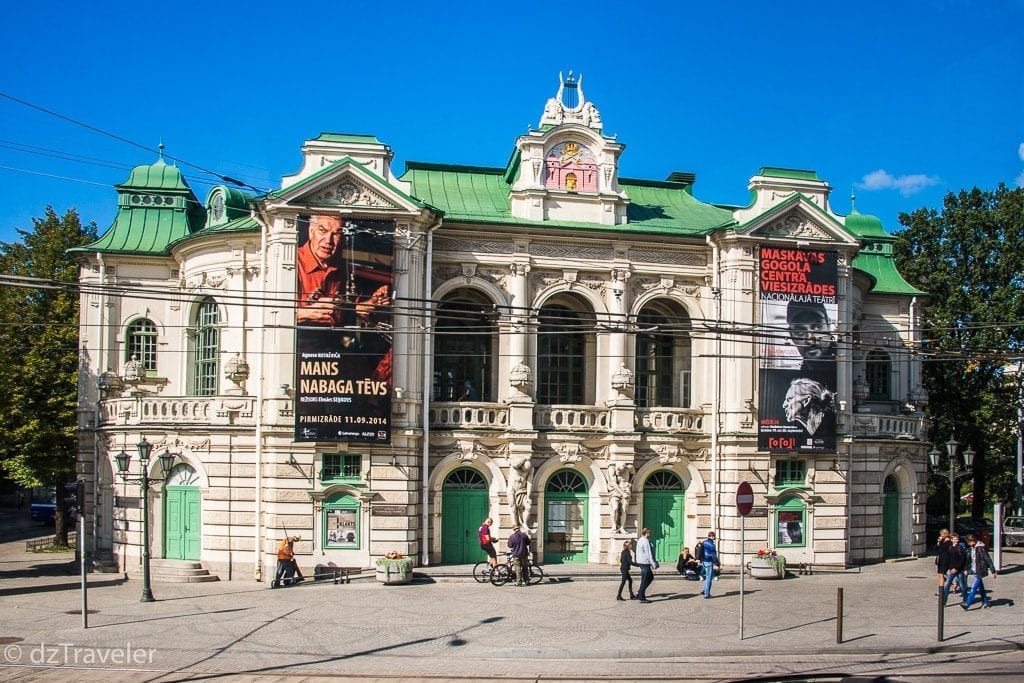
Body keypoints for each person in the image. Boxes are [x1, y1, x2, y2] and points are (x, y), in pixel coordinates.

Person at [962, 533, 997, 610]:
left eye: (969, 542)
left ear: (972, 540)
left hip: (980, 570)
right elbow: (969, 560)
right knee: (981, 588)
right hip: (974, 569)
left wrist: (993, 571)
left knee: (973, 587)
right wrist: (966, 569)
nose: (968, 544)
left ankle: (967, 603)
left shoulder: (981, 548)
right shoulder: (972, 548)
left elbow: (988, 559)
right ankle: (986, 602)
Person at [943, 532, 969, 605]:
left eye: (957, 539)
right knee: (946, 586)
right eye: (955, 539)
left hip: (959, 570)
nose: (956, 541)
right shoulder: (949, 548)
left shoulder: (961, 548)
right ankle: (943, 601)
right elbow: (947, 559)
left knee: (962, 586)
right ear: (951, 540)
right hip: (951, 570)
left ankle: (965, 600)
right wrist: (949, 568)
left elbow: (963, 559)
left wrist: (957, 568)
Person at [635, 528, 659, 603]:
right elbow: (648, 553)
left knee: (649, 577)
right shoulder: (645, 541)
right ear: (646, 533)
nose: (650, 534)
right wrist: (653, 563)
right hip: (645, 562)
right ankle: (642, 597)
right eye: (649, 533)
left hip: (641, 561)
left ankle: (639, 592)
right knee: (645, 579)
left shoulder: (640, 540)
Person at [508, 457, 532, 529]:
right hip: (512, 490)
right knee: (513, 508)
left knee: (528, 506)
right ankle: (515, 525)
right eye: (525, 469)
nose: (525, 471)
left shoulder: (530, 470)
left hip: (522, 490)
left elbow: (529, 483)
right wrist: (524, 458)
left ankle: (525, 524)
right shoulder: (514, 467)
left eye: (527, 470)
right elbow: (515, 464)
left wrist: (528, 497)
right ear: (521, 466)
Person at [699, 531, 721, 598]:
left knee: (707, 577)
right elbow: (713, 555)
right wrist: (716, 563)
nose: (714, 537)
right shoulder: (711, 545)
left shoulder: (704, 542)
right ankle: (707, 594)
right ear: (712, 536)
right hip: (709, 562)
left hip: (704, 561)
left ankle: (704, 590)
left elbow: (700, 552)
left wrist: (701, 560)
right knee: (709, 578)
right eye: (714, 536)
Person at [934, 528, 951, 596]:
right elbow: (936, 549)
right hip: (940, 559)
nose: (940, 536)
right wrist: (938, 542)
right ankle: (951, 584)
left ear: (945, 534)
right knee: (941, 575)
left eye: (941, 534)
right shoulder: (941, 541)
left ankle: (941, 591)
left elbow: (944, 550)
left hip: (946, 560)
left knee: (941, 575)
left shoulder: (949, 542)